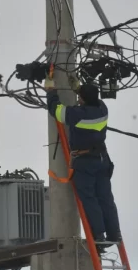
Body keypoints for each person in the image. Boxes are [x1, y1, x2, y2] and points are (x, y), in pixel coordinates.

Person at [45, 76, 122, 251]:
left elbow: (56, 111)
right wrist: (78, 88)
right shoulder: (102, 109)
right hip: (102, 159)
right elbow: (91, 99)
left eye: (80, 98)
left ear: (84, 100)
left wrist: (51, 92)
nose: (78, 100)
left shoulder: (78, 115)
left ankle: (98, 235)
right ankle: (114, 233)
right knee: (106, 198)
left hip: (85, 162)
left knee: (89, 198)